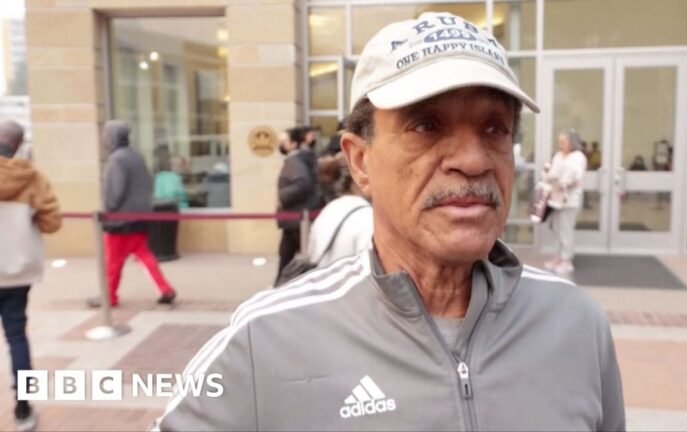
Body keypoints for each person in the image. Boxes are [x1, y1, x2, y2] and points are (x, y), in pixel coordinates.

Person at [154, 12, 624, 431]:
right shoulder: (267, 340)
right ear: (360, 162)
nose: (473, 159)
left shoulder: (576, 324)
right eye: (426, 126)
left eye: (494, 128)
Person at [0, 120, 61, 432]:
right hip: (18, 272)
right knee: (17, 338)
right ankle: (23, 409)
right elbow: (52, 223)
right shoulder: (33, 178)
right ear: (18, 144)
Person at [95, 120, 177, 307]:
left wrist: (109, 211)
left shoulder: (117, 159)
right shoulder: (136, 156)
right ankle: (164, 288)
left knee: (113, 262)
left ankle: (109, 296)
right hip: (140, 217)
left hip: (120, 220)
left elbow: (114, 193)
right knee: (144, 256)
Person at [307, 153, 373, 268]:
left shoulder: (327, 211)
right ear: (361, 175)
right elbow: (369, 268)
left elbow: (312, 254)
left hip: (323, 277)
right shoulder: (366, 217)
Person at [274, 128, 320, 284]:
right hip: (297, 217)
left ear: (293, 144)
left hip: (296, 217)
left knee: (287, 256)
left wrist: (282, 197)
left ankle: (280, 286)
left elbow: (303, 183)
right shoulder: (299, 159)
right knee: (288, 255)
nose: (280, 145)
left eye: (284, 142)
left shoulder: (295, 161)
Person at [543, 129, 588, 275]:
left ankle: (566, 260)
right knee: (556, 228)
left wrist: (565, 183)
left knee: (565, 230)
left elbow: (576, 177)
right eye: (559, 141)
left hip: (570, 199)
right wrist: (548, 174)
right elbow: (552, 173)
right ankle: (557, 257)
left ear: (571, 142)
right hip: (555, 198)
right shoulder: (558, 156)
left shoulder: (578, 157)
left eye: (563, 141)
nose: (560, 144)